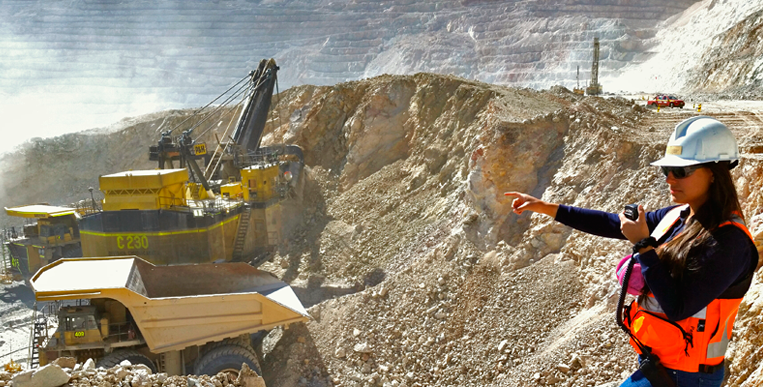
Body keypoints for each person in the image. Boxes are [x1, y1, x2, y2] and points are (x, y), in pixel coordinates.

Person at [505, 116, 758, 387]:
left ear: (714, 172)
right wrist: (546, 207)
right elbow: (613, 223)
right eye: (667, 170)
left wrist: (645, 247)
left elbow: (679, 308)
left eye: (681, 171)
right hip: (662, 364)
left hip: (689, 376)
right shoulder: (678, 215)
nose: (670, 179)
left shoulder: (730, 242)